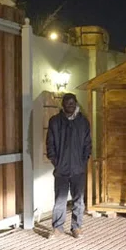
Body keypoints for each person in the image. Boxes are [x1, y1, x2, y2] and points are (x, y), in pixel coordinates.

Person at [46, 93, 92, 239]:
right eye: (67, 103)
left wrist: (83, 161)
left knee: (78, 199)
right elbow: (50, 144)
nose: (70, 105)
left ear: (76, 103)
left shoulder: (83, 122)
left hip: (78, 169)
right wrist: (56, 161)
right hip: (61, 170)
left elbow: (87, 144)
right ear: (63, 104)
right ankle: (57, 228)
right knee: (60, 199)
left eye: (73, 102)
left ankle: (76, 228)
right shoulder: (54, 121)